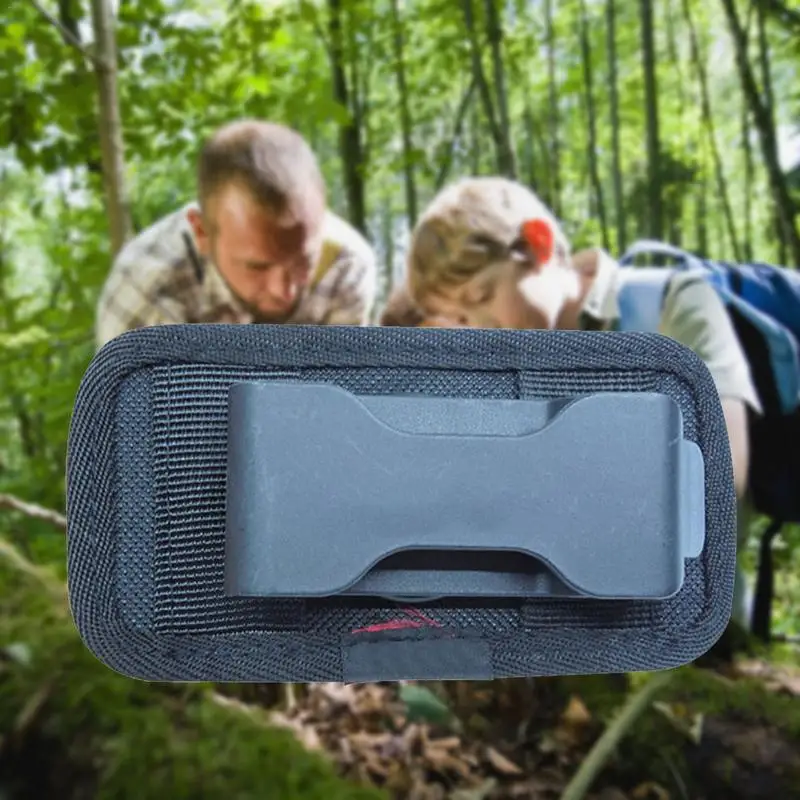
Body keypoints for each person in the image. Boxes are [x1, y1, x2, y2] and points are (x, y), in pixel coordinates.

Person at [405, 176, 761, 635]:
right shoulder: (512, 372)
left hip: (689, 618)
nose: (478, 326)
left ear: (538, 244)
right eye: (458, 318)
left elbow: (723, 477)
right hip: (565, 624)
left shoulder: (671, 305)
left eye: (482, 297)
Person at [95, 120, 377, 347]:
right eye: (258, 266)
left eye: (304, 260)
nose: (284, 290)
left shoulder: (345, 265)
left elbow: (335, 393)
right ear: (202, 233)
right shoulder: (146, 290)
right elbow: (136, 403)